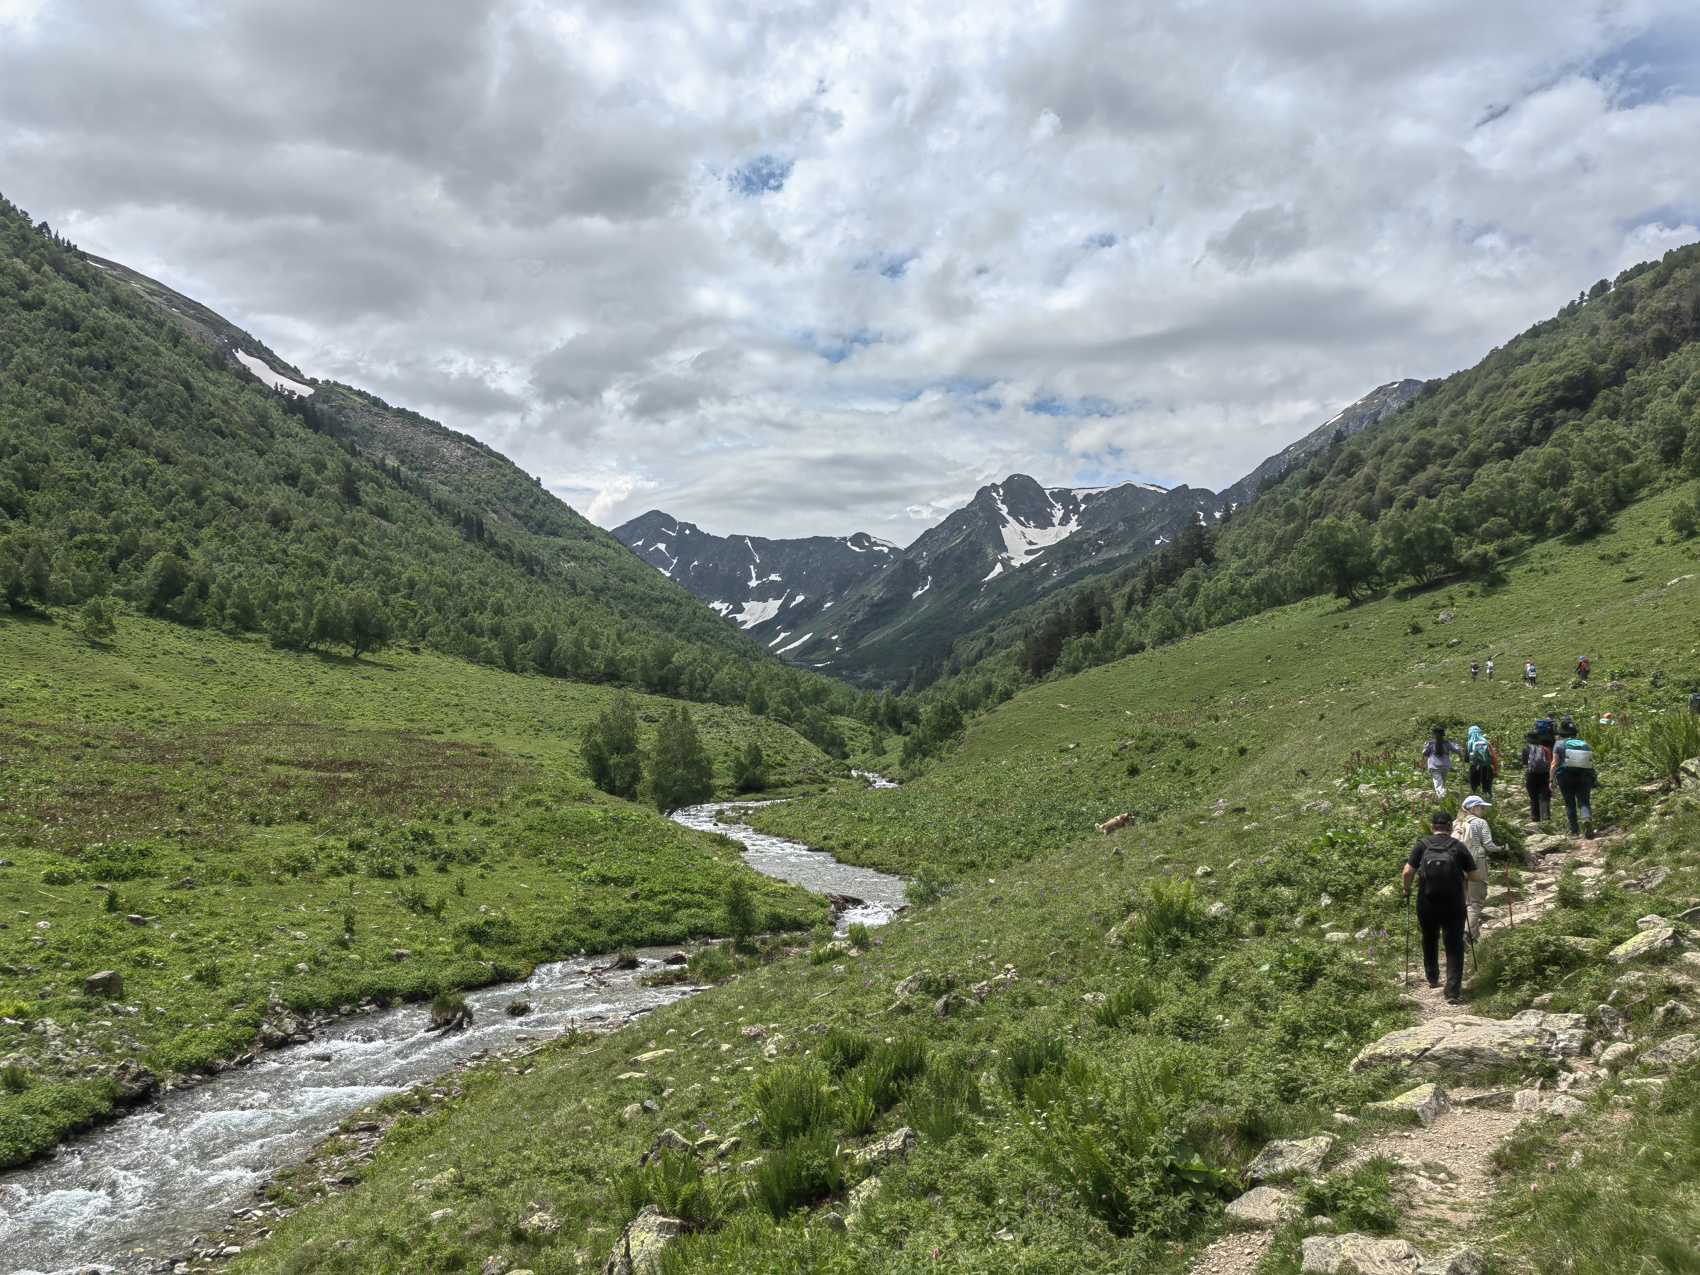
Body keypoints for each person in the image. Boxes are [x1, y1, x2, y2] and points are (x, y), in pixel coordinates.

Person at [1403, 811, 1485, 1003]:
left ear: (1433, 826)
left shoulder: (1422, 845)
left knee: (1429, 937)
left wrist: (1406, 890)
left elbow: (1407, 871)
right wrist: (1460, 874)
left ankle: (1432, 977)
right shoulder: (1458, 846)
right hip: (1454, 903)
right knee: (1454, 943)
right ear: (1451, 827)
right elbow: (1476, 876)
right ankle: (1452, 991)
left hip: (1427, 902)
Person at [1457, 794, 1495, 941]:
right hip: (1476, 862)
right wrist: (1502, 848)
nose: (1483, 811)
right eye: (1482, 808)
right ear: (1473, 808)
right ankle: (1467, 935)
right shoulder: (1481, 823)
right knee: (1476, 901)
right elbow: (1489, 845)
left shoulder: (1456, 823)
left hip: (1458, 864)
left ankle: (1469, 935)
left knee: (1463, 900)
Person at [1552, 729, 1596, 839]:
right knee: (1584, 801)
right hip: (1583, 775)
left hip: (1565, 776)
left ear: (1561, 734)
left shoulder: (1558, 744)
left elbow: (1555, 763)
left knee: (1569, 803)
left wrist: (1551, 780)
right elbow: (1590, 761)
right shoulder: (1584, 743)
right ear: (1575, 733)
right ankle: (1586, 818)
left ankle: (1574, 831)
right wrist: (1593, 777)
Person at [1421, 726, 1461, 799]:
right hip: (1446, 766)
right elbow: (1456, 750)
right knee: (1442, 784)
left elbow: (1424, 753)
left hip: (1435, 766)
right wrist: (1456, 743)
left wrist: (1425, 746)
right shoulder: (1447, 743)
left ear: (1434, 734)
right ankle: (1441, 798)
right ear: (1443, 734)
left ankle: (1442, 799)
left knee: (1438, 785)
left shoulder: (1430, 743)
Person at [1522, 731, 1553, 824]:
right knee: (1544, 797)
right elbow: (1549, 762)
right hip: (1544, 775)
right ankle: (1546, 818)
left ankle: (1535, 818)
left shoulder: (1526, 749)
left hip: (1531, 776)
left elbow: (1524, 765)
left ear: (1529, 740)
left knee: (1533, 797)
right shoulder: (1545, 749)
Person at [1465, 725, 1498, 797]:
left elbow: (1466, 760)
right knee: (1487, 791)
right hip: (1487, 768)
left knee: (1475, 791)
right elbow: (1494, 757)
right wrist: (1496, 769)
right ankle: (1489, 802)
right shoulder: (1487, 743)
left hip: (1474, 768)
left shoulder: (1469, 743)